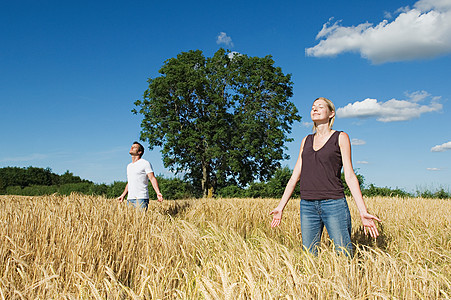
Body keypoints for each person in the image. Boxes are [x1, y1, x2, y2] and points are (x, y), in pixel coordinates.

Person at [270, 97, 381, 256]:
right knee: (309, 257)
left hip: (334, 204)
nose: (314, 109)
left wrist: (362, 211)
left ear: (331, 113)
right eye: (313, 107)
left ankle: (347, 281)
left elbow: (349, 175)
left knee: (343, 255)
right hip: (307, 206)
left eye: (320, 107)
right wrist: (280, 207)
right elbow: (295, 177)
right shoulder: (306, 141)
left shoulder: (341, 137)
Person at [117, 141, 163, 209]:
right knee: (130, 219)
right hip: (130, 198)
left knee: (141, 219)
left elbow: (152, 178)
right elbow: (130, 182)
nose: (132, 147)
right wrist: (123, 195)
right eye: (131, 146)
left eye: (134, 147)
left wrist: (158, 192)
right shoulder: (129, 166)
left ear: (139, 152)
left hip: (141, 198)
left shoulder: (145, 163)